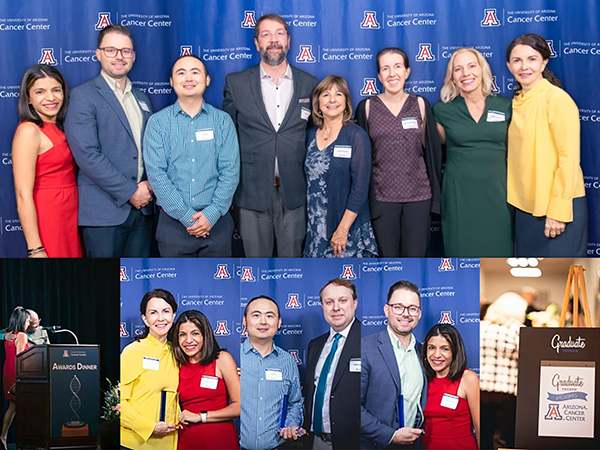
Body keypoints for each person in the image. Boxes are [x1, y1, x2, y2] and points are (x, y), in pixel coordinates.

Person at [223, 14, 318, 257]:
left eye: (279, 33)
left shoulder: (309, 83)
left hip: (295, 192)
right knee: (255, 263)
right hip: (250, 192)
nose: (273, 40)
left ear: (288, 40)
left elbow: (314, 136)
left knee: (293, 264)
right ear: (256, 43)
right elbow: (227, 140)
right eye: (265, 34)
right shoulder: (236, 83)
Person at [65, 24, 154, 257]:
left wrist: (149, 186)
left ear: (133, 56)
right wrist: (129, 191)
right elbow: (87, 154)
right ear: (98, 54)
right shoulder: (83, 96)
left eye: (126, 51)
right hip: (104, 211)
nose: (119, 57)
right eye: (111, 50)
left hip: (143, 210)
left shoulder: (142, 99)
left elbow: (152, 151)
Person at [144, 55, 240, 257]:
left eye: (195, 72)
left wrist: (211, 214)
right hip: (173, 225)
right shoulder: (157, 123)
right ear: (171, 82)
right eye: (181, 73)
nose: (188, 78)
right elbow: (156, 174)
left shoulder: (222, 121)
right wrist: (189, 217)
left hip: (217, 223)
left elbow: (230, 171)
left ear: (207, 80)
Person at [505, 34, 587, 256]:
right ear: (508, 65)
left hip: (557, 207)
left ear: (544, 62)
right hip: (526, 208)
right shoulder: (516, 101)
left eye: (532, 59)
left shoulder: (556, 99)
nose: (524, 67)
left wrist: (558, 210)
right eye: (517, 60)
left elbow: (569, 158)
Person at [355, 48, 442, 257]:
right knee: (388, 260)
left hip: (419, 197)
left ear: (407, 71)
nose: (392, 74)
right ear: (379, 76)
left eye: (397, 67)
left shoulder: (420, 104)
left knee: (415, 258)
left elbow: (431, 154)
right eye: (385, 68)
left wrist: (436, 199)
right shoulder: (366, 107)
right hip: (382, 199)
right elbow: (362, 160)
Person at [433, 48, 514, 257]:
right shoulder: (442, 111)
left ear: (482, 69)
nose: (465, 73)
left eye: (471, 66)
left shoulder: (506, 106)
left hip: (499, 197)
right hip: (460, 198)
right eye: (458, 69)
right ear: (452, 77)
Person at [12, 65, 81, 258]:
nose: (51, 98)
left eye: (56, 90)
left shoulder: (62, 127)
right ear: (29, 99)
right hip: (49, 214)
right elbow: (22, 194)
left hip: (70, 213)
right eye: (40, 92)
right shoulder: (29, 131)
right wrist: (36, 249)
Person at [304, 75, 378, 258]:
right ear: (318, 102)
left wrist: (342, 230)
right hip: (315, 229)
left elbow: (360, 189)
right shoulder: (309, 135)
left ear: (346, 101)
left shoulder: (356, 136)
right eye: (326, 95)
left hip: (346, 229)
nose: (332, 100)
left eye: (338, 94)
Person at [361, 281, 427, 449]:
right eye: (398, 307)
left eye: (413, 308)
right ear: (386, 310)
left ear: (419, 314)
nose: (406, 314)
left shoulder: (425, 353)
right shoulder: (364, 348)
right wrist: (390, 436)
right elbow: (352, 406)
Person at [303, 278, 361, 450]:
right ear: (322, 306)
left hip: (355, 442)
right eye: (329, 302)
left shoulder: (368, 339)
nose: (336, 307)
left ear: (355, 303)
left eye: (343, 300)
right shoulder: (315, 345)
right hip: (317, 442)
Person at [240, 296, 304, 449]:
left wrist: (291, 425)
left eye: (269, 316)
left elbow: (295, 401)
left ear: (279, 322)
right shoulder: (233, 358)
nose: (263, 321)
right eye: (256, 315)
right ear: (244, 321)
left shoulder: (288, 361)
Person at [120, 289, 179, 450]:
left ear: (173, 315)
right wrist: (149, 427)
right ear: (145, 319)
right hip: (135, 443)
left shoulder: (178, 352)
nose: (161, 318)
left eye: (166, 311)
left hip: (169, 443)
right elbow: (118, 403)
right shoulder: (132, 352)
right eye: (153, 313)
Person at [172, 310, 240, 449]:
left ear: (205, 335)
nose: (188, 340)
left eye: (195, 333)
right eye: (182, 335)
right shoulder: (176, 364)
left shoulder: (222, 359)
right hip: (186, 440)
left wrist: (200, 416)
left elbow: (239, 406)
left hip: (219, 439)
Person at [480, 292, 527, 450]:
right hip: (507, 394)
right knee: (502, 438)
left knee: (483, 434)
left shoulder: (480, 327)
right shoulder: (519, 331)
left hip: (480, 391)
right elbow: (527, 360)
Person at [420, 324, 479, 450]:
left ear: (455, 351)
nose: (436, 355)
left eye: (444, 349)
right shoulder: (422, 380)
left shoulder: (468, 378)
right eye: (431, 348)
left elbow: (479, 427)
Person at [1, 307, 30, 450]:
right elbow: (20, 357)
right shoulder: (22, 335)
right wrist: (19, 379)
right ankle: (23, 439)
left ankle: (4, 437)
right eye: (28, 321)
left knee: (14, 406)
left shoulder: (8, 334)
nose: (28, 324)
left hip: (8, 370)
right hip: (16, 372)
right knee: (20, 406)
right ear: (22, 320)